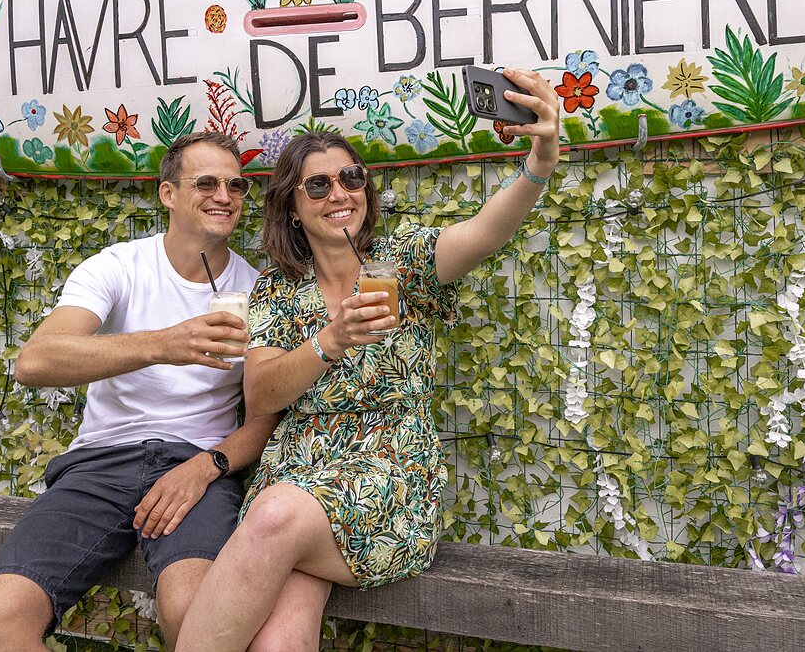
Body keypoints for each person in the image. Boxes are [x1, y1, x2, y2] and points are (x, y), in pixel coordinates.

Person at [174, 69, 561, 651]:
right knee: (279, 641)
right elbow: (262, 396)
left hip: (387, 483)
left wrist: (541, 162)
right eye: (319, 185)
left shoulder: (400, 264)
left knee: (277, 517)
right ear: (293, 206)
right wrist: (328, 342)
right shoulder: (278, 292)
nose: (340, 194)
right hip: (296, 479)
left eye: (350, 178)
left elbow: (484, 233)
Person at [0, 132, 280, 651]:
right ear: (167, 194)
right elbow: (35, 361)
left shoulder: (260, 290)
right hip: (99, 465)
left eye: (236, 185)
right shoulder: (118, 266)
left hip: (196, 469)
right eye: (206, 182)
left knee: (194, 617)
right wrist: (163, 343)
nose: (225, 195)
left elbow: (265, 417)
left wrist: (205, 468)